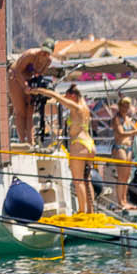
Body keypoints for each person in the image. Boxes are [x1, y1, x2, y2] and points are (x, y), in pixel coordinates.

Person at [33, 85, 97, 215]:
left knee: (78, 180)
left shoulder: (76, 106)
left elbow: (56, 96)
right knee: (87, 179)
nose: (66, 99)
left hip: (79, 144)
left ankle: (81, 211)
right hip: (90, 144)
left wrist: (37, 90)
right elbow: (60, 98)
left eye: (68, 97)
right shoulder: (85, 108)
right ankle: (91, 210)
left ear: (73, 96)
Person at [5, 48, 54, 147]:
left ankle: (30, 141)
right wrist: (24, 86)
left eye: (47, 53)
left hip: (29, 79)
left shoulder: (48, 61)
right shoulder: (30, 55)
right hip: (15, 77)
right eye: (42, 51)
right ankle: (22, 141)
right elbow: (17, 71)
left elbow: (39, 74)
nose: (43, 54)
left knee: (30, 111)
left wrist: (36, 87)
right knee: (20, 111)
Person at [105, 97, 137, 208]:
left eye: (127, 106)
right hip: (120, 147)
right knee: (121, 177)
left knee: (127, 177)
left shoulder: (128, 119)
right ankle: (120, 202)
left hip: (129, 148)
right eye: (124, 105)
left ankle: (124, 200)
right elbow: (121, 133)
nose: (125, 108)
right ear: (120, 106)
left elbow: (135, 130)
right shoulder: (116, 119)